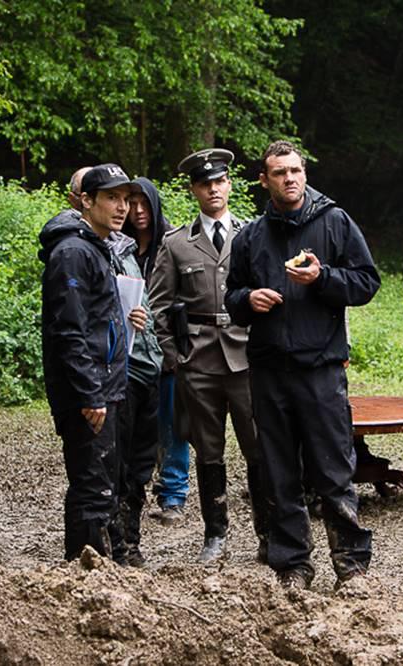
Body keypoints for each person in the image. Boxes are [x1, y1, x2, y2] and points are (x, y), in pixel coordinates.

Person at [225, 140, 380, 590]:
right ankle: (292, 565)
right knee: (279, 473)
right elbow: (232, 298)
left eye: (295, 171)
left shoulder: (334, 222)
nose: (289, 179)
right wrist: (248, 300)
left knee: (333, 470)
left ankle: (351, 565)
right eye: (279, 173)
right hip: (269, 369)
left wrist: (323, 278)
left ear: (305, 174)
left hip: (321, 368)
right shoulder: (251, 236)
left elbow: (367, 282)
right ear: (264, 180)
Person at [149, 148, 266, 563]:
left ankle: (266, 533)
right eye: (205, 184)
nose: (213, 189)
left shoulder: (253, 234)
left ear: (230, 185)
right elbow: (159, 305)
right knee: (209, 451)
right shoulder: (177, 243)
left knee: (258, 449)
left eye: (219, 182)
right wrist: (175, 356)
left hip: (246, 358)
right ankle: (215, 534)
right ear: (194, 190)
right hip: (197, 360)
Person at [39, 163, 130, 561]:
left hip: (104, 384)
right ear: (86, 201)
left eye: (126, 198)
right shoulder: (73, 252)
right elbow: (69, 331)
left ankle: (100, 566)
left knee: (103, 481)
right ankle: (87, 575)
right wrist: (90, 393)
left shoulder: (96, 245)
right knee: (93, 487)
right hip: (86, 392)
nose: (122, 206)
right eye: (112, 197)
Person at [103, 179, 165, 566]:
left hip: (148, 367)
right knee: (118, 462)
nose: (129, 209)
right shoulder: (94, 249)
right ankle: (115, 542)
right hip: (120, 371)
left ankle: (131, 538)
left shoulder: (133, 251)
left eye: (132, 201)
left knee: (142, 462)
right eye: (122, 200)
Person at [124, 178, 191, 524]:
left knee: (172, 423)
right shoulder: (118, 247)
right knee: (135, 426)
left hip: (167, 349)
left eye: (143, 204)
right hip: (129, 353)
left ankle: (173, 494)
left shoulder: (172, 243)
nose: (137, 212)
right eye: (130, 203)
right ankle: (133, 487)